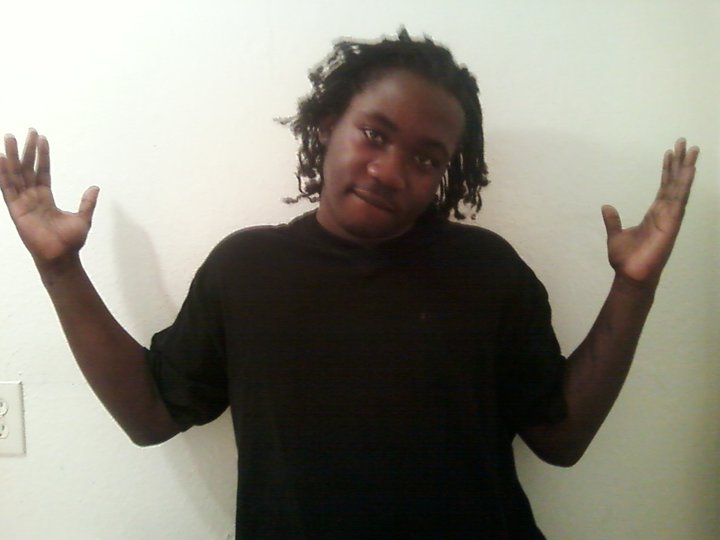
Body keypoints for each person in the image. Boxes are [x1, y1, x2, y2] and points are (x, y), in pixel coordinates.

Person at [0, 30, 699, 539]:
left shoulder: (487, 272)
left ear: (446, 175)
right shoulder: (245, 271)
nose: (390, 170)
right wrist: (60, 269)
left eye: (426, 158)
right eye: (375, 134)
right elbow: (152, 415)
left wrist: (634, 286)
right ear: (329, 124)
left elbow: (561, 438)